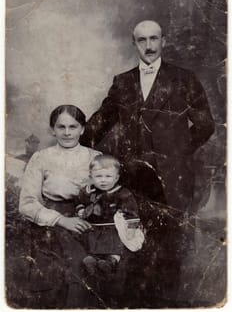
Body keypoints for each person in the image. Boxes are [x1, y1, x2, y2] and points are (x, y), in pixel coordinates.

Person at [80, 20, 215, 306]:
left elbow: (205, 125)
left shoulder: (184, 78)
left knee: (170, 246)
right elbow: (100, 122)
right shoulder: (123, 81)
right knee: (134, 241)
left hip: (173, 178)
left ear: (163, 41)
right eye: (142, 40)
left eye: (154, 39)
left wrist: (177, 154)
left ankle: (168, 306)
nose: (149, 46)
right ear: (134, 44)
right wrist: (72, 139)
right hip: (132, 177)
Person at [19, 104, 101, 308]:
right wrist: (62, 220)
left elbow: (107, 197)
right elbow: (27, 203)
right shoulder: (41, 158)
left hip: (86, 224)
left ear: (82, 129)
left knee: (82, 286)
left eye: (73, 127)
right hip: (49, 226)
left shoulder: (95, 158)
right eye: (61, 127)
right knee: (51, 287)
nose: (67, 133)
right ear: (52, 129)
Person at [75, 154, 143, 277]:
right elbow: (80, 200)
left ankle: (111, 262)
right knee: (92, 245)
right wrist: (80, 209)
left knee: (114, 247)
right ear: (91, 177)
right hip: (94, 227)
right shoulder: (89, 191)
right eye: (98, 176)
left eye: (108, 176)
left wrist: (131, 229)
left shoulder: (122, 193)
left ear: (116, 178)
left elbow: (132, 212)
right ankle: (93, 261)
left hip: (112, 228)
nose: (103, 180)